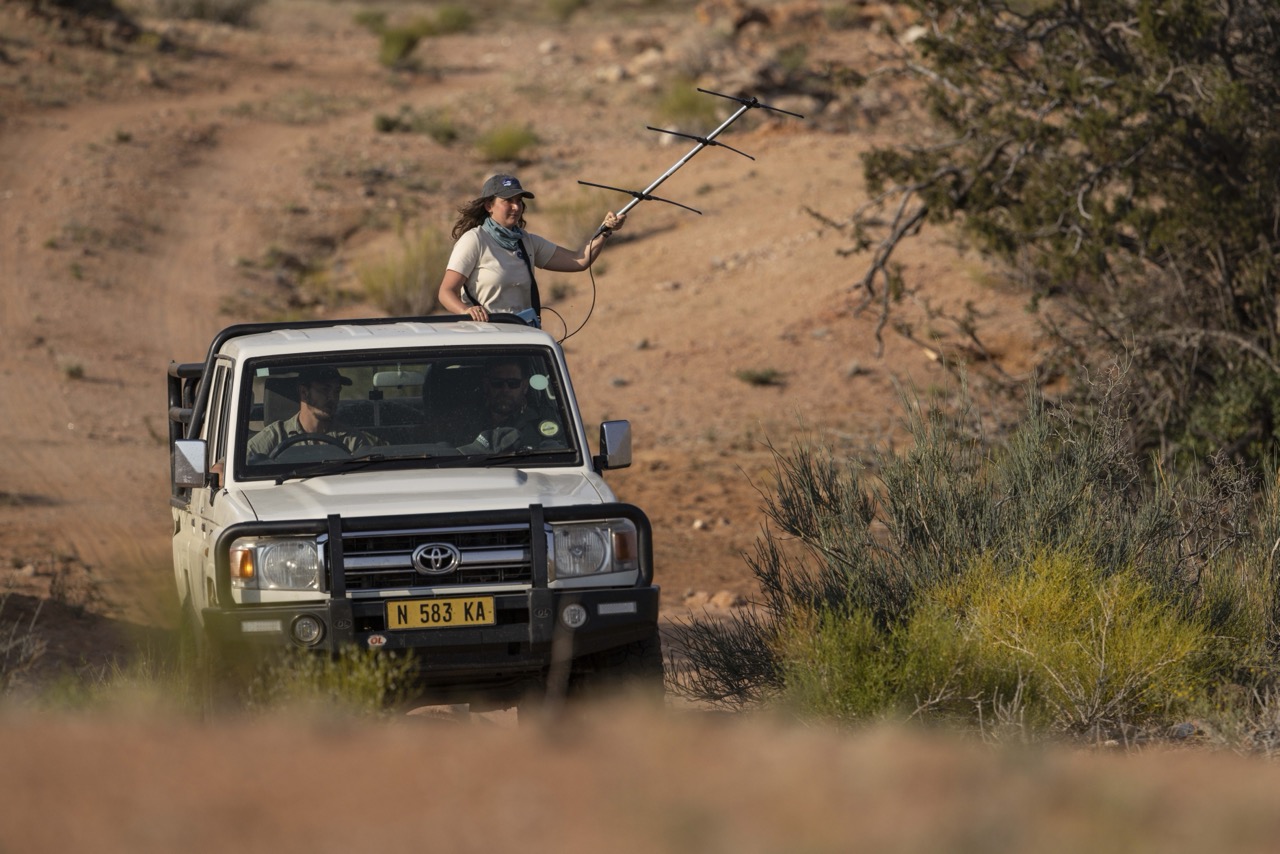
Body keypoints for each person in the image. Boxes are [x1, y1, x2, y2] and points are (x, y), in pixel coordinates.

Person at [437, 174, 626, 326]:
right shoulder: (474, 240)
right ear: (489, 206)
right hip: (485, 339)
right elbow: (446, 292)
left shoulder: (527, 241)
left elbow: (579, 260)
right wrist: (466, 311)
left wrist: (604, 231)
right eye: (508, 200)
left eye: (519, 201)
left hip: (521, 338)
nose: (516, 207)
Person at [247, 366, 380, 458]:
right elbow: (239, 464)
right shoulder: (276, 435)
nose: (332, 398)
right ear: (304, 392)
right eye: (324, 390)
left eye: (336, 391)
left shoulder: (351, 439)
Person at [458, 357, 566, 454]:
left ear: (524, 386)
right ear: (486, 385)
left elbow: (560, 454)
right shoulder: (464, 421)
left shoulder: (543, 420)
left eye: (513, 383)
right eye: (497, 383)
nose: (505, 390)